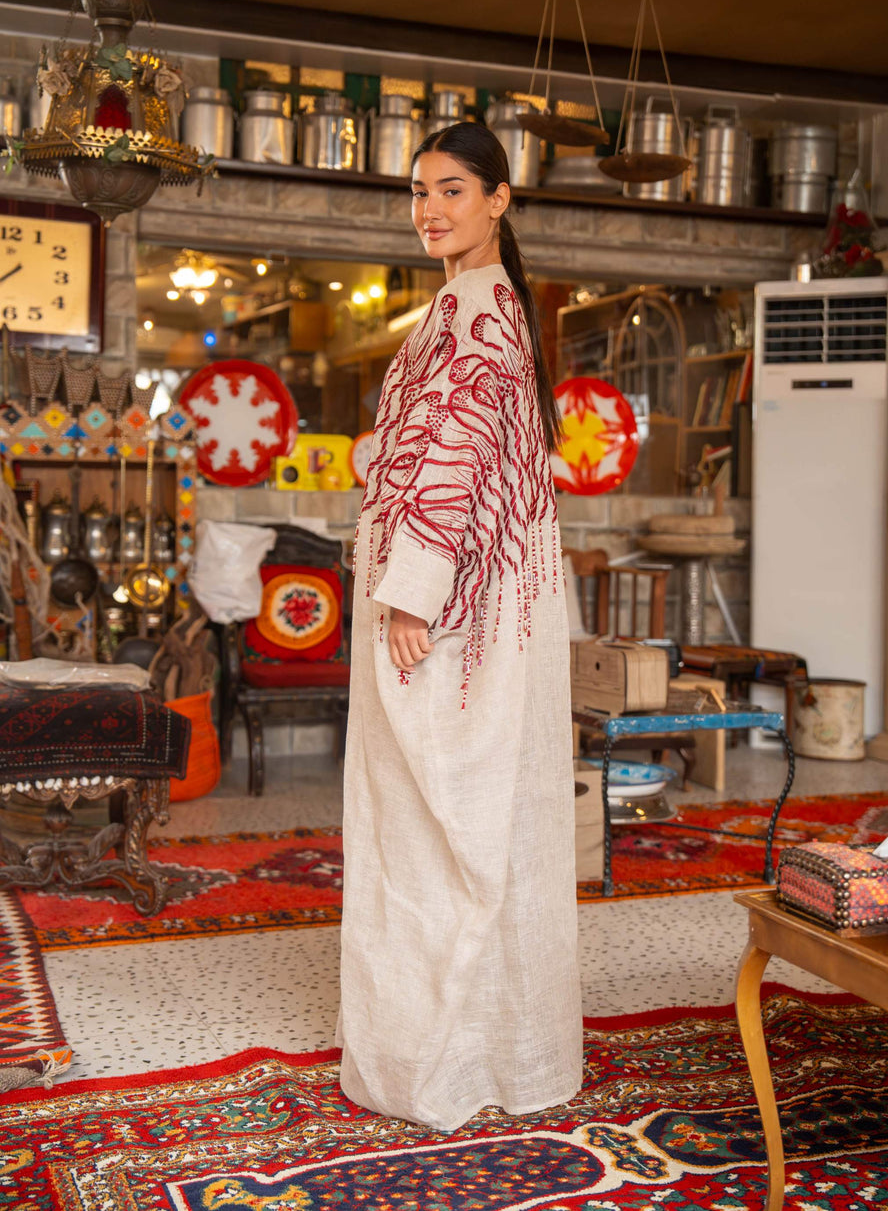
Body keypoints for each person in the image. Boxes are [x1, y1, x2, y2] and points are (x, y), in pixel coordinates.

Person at [337, 120, 582, 1131]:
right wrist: (378, 451)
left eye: (451, 189)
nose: (430, 209)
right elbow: (447, 434)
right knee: (468, 816)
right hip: (470, 589)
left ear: (498, 200)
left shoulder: (479, 306)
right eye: (419, 191)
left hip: (449, 600)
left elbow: (460, 451)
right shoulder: (473, 303)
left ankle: (439, 1058)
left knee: (440, 820)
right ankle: (493, 1049)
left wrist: (413, 590)